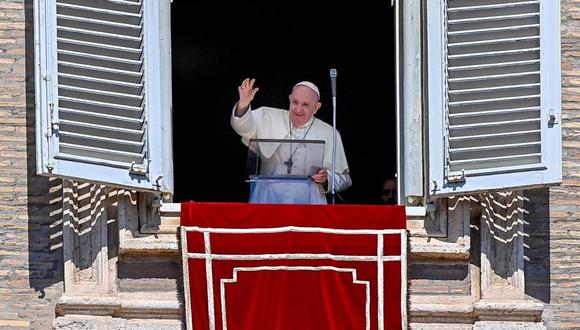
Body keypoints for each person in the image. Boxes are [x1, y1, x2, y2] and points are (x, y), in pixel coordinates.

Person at [231, 78, 351, 204]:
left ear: (316, 107)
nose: (298, 109)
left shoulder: (329, 133)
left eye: (305, 105)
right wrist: (243, 104)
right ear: (289, 99)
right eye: (295, 102)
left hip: (308, 205)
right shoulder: (268, 116)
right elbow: (242, 127)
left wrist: (327, 179)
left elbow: (345, 179)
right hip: (267, 199)